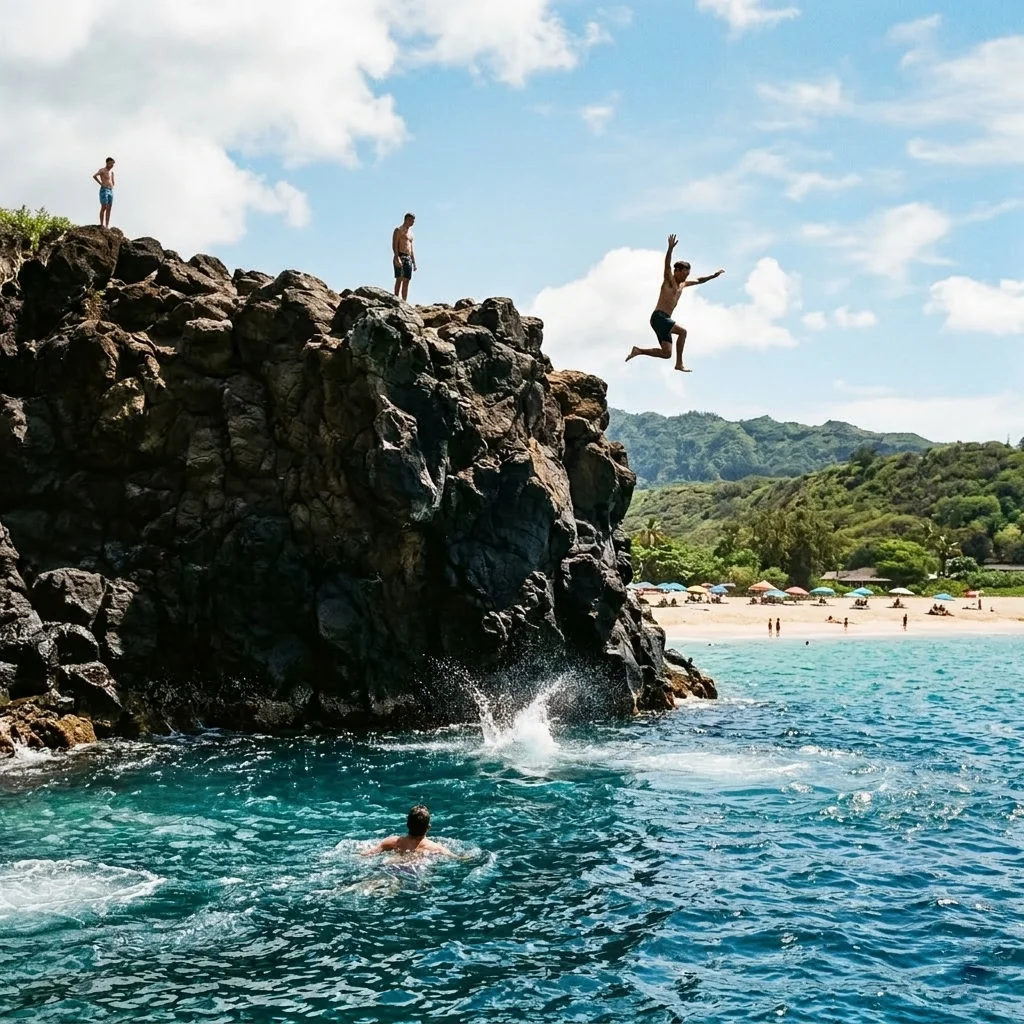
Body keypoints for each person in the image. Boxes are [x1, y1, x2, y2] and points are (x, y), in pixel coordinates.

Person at [625, 234, 724, 372]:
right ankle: (679, 363)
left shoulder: (683, 284)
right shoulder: (669, 281)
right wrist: (670, 249)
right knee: (683, 332)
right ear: (677, 271)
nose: (686, 276)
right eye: (684, 273)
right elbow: (666, 265)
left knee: (666, 354)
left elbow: (699, 280)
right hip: (659, 317)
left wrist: (713, 276)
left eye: (688, 273)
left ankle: (639, 350)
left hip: (662, 320)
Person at [361, 805, 454, 857]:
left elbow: (367, 854)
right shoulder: (434, 847)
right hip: (413, 870)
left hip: (390, 866)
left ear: (407, 825)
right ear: (428, 827)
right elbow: (458, 858)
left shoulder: (393, 841)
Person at [392, 213, 417, 301]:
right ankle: (395, 299)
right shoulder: (398, 230)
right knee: (399, 278)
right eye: (411, 220)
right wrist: (396, 257)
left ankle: (404, 301)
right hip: (400, 255)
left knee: (407, 280)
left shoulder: (411, 233)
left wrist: (414, 261)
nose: (413, 222)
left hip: (408, 257)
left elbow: (411, 247)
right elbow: (394, 244)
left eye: (413, 220)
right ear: (406, 219)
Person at [93, 157, 116, 228]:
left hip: (110, 190)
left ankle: (106, 225)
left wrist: (112, 185)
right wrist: (101, 183)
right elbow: (94, 176)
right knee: (104, 206)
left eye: (113, 164)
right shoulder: (102, 170)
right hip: (104, 189)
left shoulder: (112, 172)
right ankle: (101, 224)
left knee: (109, 208)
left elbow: (112, 180)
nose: (112, 165)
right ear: (107, 163)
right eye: (111, 163)